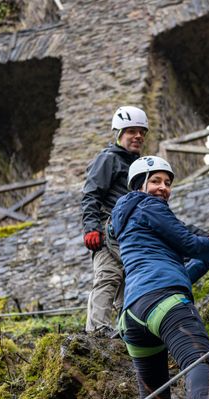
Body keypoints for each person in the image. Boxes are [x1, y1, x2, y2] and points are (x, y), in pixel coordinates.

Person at [111, 156, 209, 399]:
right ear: (138, 185)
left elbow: (182, 270)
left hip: (133, 317)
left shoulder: (127, 222)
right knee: (197, 362)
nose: (163, 188)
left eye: (167, 183)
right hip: (163, 301)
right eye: (155, 181)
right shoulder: (148, 205)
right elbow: (190, 244)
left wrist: (207, 257)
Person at [81, 106, 147, 334]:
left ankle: (124, 330)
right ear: (119, 133)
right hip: (107, 229)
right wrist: (91, 228)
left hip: (129, 232)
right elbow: (91, 194)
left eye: (141, 133)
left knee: (129, 281)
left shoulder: (137, 167)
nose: (137, 136)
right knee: (109, 276)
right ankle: (97, 329)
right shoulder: (108, 159)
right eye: (132, 131)